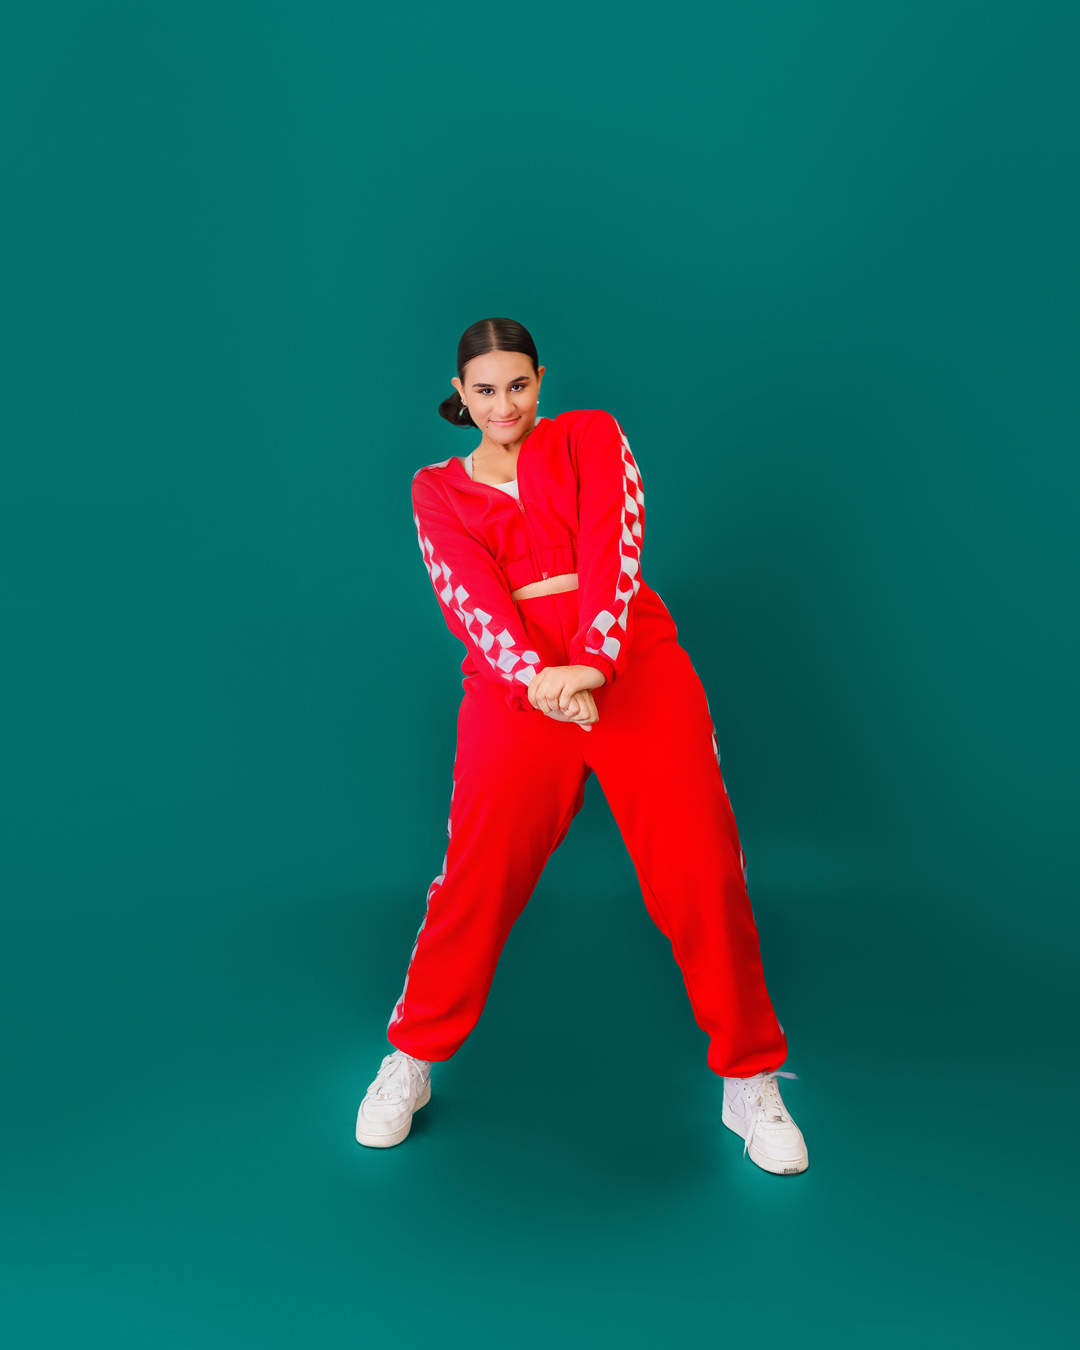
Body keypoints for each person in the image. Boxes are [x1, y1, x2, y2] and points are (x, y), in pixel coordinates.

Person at [355, 318, 808, 1175]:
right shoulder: (435, 490)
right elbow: (469, 597)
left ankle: (750, 1077)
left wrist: (592, 663)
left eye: (518, 385)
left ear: (540, 380)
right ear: (460, 395)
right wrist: (537, 678)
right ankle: (410, 1059)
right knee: (476, 877)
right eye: (484, 390)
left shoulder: (589, 434)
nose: (503, 405)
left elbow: (617, 543)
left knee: (701, 864)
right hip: (515, 690)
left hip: (632, 667)